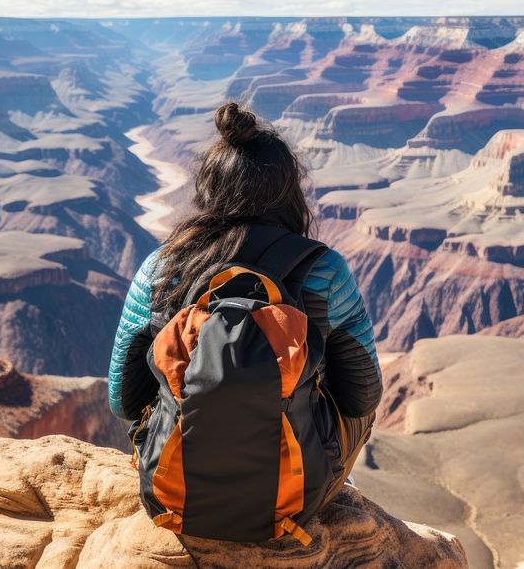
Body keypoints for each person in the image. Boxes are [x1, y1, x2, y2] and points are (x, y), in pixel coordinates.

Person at [108, 100, 382, 518]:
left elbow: (123, 402)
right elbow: (362, 397)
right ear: (290, 192)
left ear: (207, 189)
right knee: (365, 411)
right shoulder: (323, 270)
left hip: (173, 496)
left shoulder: (160, 268)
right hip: (291, 502)